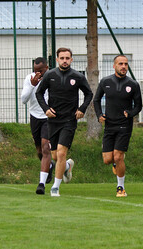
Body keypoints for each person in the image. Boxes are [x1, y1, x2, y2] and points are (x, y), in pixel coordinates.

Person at [36, 47, 93, 197]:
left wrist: (82, 109)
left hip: (69, 120)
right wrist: (46, 109)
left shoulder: (77, 76)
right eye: (62, 58)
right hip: (53, 120)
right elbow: (39, 93)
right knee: (55, 156)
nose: (65, 61)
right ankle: (67, 166)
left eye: (67, 58)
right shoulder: (49, 75)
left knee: (61, 153)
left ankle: (55, 186)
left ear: (71, 60)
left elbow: (89, 94)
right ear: (57, 59)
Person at [93, 55, 142, 197]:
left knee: (118, 156)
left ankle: (121, 187)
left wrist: (131, 113)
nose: (124, 66)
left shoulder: (133, 84)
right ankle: (116, 163)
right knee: (108, 159)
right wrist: (99, 115)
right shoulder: (106, 82)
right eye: (120, 64)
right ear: (114, 66)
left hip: (124, 126)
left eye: (126, 64)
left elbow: (138, 105)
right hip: (109, 125)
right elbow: (96, 100)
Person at [21, 57, 56, 195]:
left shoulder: (53, 78)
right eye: (35, 71)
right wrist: (32, 85)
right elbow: (24, 100)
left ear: (46, 69)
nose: (38, 74)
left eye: (40, 71)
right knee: (39, 152)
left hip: (48, 117)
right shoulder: (30, 79)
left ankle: (41, 184)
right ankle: (53, 166)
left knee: (46, 147)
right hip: (35, 117)